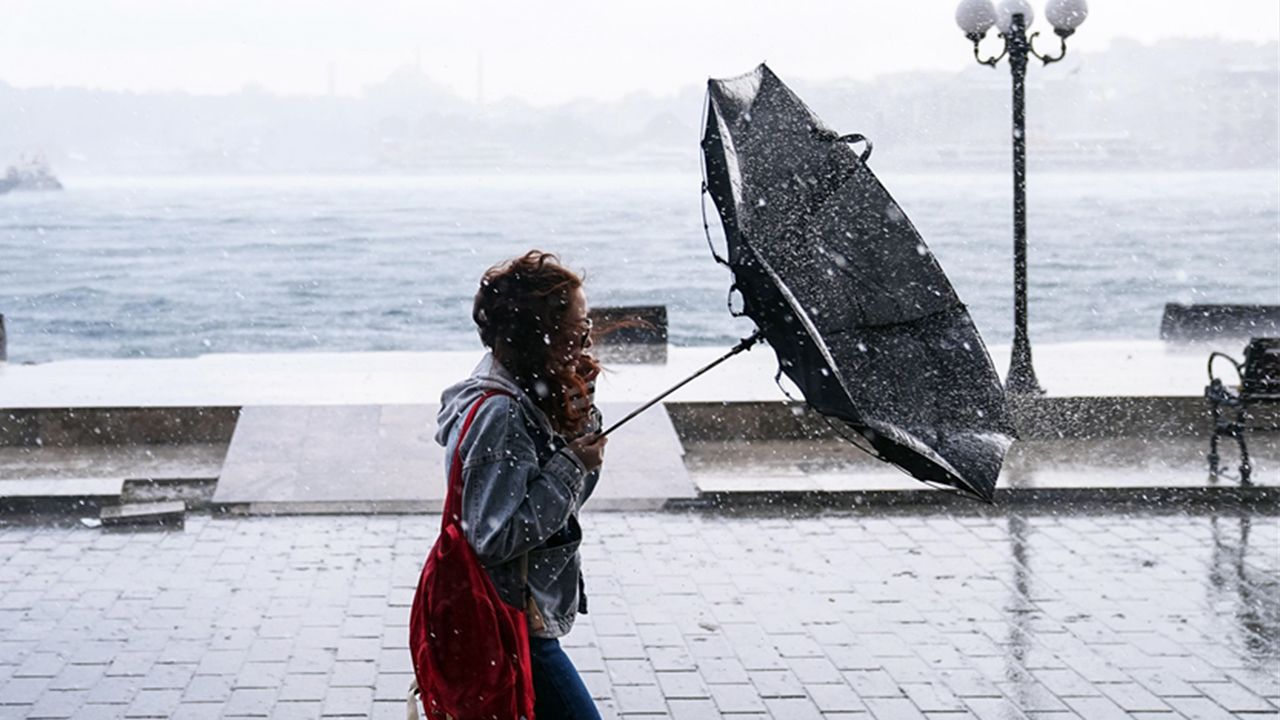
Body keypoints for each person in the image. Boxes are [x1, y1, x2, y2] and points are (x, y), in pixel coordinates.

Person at [434, 250, 607, 720]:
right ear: (541, 334)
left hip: (514, 615)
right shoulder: (502, 413)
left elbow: (565, 504)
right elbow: (494, 537)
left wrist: (578, 422)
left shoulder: (523, 391)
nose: (587, 339)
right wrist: (571, 464)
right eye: (578, 328)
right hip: (510, 619)